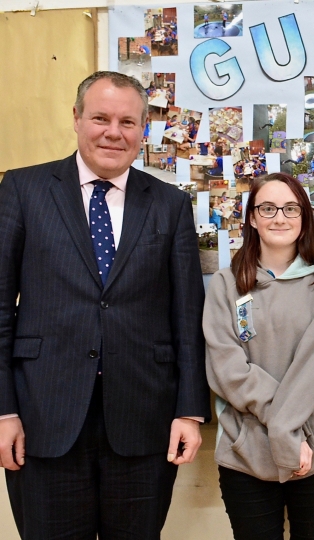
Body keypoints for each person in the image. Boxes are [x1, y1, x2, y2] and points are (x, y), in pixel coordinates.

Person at [0, 71, 209, 538]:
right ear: (76, 119)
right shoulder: (23, 189)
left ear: (143, 131)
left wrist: (190, 412)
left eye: (128, 122)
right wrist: (3, 410)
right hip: (42, 417)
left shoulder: (171, 204)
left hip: (143, 419)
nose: (114, 132)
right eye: (100, 118)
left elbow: (186, 314)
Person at [204, 173, 314, 540]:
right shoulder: (225, 283)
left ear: (304, 218)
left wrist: (290, 433)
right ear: (252, 217)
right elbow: (227, 368)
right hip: (244, 452)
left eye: (289, 209)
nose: (279, 218)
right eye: (267, 208)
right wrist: (284, 431)